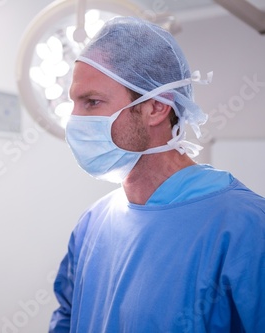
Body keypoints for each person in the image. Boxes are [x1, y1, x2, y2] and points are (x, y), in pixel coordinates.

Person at [49, 16, 265, 333]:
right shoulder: (92, 224)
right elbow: (67, 318)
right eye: (75, 103)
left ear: (156, 108)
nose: (74, 121)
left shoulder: (245, 229)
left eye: (92, 102)